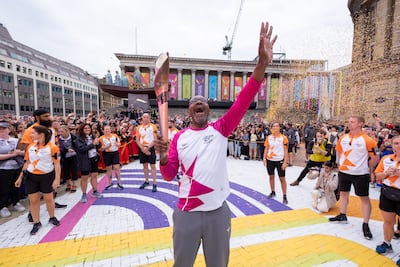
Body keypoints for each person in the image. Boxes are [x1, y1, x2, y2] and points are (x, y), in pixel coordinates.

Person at [154, 20, 277, 267]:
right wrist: (164, 157)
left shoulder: (221, 129)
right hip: (187, 212)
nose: (199, 104)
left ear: (209, 110)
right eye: (194, 102)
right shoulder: (178, 138)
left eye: (203, 102)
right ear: (189, 111)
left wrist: (262, 63)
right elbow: (168, 176)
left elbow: (244, 99)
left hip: (217, 213)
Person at [328, 116, 379, 240]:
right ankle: (342, 215)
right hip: (344, 172)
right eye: (348, 121)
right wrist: (340, 165)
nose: (349, 123)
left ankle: (365, 224)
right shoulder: (343, 138)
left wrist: (370, 169)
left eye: (352, 122)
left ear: (361, 123)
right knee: (344, 194)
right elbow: (339, 152)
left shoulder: (368, 140)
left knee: (364, 199)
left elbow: (375, 158)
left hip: (360, 174)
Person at [20, 109, 67, 219]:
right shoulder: (30, 131)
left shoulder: (51, 129)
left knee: (51, 188)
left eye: (48, 115)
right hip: (36, 165)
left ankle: (52, 203)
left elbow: (54, 143)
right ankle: (32, 212)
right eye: (45, 116)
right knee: (34, 195)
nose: (49, 118)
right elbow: (25, 148)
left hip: (50, 163)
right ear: (37, 117)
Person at [15, 125, 61, 235]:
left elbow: (57, 164)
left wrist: (57, 179)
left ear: (41, 134)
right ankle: (37, 222)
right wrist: (20, 177)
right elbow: (27, 163)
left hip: (47, 176)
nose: (31, 135)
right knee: (33, 201)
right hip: (31, 176)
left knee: (49, 199)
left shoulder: (52, 147)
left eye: (33, 133)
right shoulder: (30, 146)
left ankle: (52, 217)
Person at [374, 135, 400, 263]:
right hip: (388, 193)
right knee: (388, 221)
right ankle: (387, 243)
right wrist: (386, 174)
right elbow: (377, 175)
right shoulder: (386, 159)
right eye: (396, 143)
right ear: (392, 145)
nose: (398, 146)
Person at [0, 120, 26, 218]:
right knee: (3, 188)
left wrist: (18, 153)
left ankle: (16, 202)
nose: (2, 130)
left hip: (17, 167)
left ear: (8, 130)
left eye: (4, 128)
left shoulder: (15, 140)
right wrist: (12, 154)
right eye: (0, 129)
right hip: (3, 168)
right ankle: (3, 206)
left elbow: (25, 152)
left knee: (16, 186)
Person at [75, 123, 103, 203]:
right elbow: (82, 149)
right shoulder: (79, 138)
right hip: (84, 160)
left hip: (94, 158)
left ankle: (95, 191)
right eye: (85, 128)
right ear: (82, 130)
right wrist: (93, 144)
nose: (87, 129)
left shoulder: (93, 136)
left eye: (88, 128)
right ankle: (84, 194)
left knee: (94, 175)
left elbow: (98, 146)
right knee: (84, 178)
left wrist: (98, 142)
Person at [263, 122, 289, 204]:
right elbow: (266, 148)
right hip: (270, 160)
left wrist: (285, 162)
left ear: (279, 127)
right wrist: (264, 158)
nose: (275, 127)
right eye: (274, 126)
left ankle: (284, 195)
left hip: (280, 160)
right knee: (271, 176)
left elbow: (285, 150)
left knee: (282, 178)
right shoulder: (269, 137)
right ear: (272, 128)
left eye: (277, 126)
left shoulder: (283, 138)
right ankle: (273, 192)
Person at [136, 113, 158, 192]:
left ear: (149, 118)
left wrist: (148, 148)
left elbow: (155, 139)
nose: (145, 118)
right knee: (145, 166)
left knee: (152, 166)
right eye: (144, 117)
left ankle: (154, 183)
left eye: (147, 117)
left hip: (150, 148)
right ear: (142, 118)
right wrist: (142, 148)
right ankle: (147, 181)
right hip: (142, 148)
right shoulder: (138, 128)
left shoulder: (153, 127)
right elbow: (137, 139)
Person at [99, 125, 123, 190]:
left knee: (116, 168)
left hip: (115, 153)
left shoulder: (115, 136)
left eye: (108, 129)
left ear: (110, 130)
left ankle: (119, 183)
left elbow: (119, 144)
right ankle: (110, 183)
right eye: (106, 129)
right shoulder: (101, 138)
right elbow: (100, 149)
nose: (107, 130)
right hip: (106, 154)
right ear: (103, 130)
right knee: (108, 169)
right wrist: (107, 147)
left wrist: (117, 144)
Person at [58, 125, 79, 193]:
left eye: (62, 131)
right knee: (66, 171)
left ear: (67, 131)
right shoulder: (59, 139)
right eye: (59, 131)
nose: (60, 133)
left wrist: (74, 149)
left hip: (73, 156)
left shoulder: (73, 137)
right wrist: (67, 150)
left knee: (74, 170)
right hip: (64, 157)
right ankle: (68, 184)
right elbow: (60, 148)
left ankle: (74, 184)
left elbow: (78, 146)